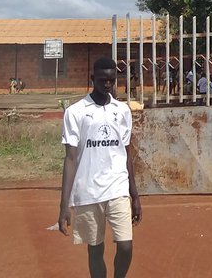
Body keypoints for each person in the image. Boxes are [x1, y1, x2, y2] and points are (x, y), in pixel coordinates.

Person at [58, 57, 142, 278]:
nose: (107, 85)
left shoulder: (122, 110)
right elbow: (70, 159)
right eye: (103, 80)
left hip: (118, 188)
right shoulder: (75, 112)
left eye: (112, 80)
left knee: (125, 246)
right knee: (95, 250)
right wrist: (64, 205)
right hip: (89, 192)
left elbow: (126, 153)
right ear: (92, 78)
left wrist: (135, 195)